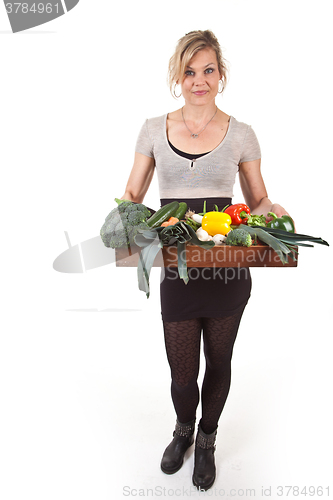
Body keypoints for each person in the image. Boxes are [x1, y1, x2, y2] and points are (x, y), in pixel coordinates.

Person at [121, 30, 290, 491]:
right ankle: (183, 429)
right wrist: (123, 215)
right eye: (190, 71)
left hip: (228, 264)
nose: (200, 80)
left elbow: (259, 200)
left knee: (219, 358)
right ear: (179, 75)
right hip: (178, 263)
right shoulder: (154, 128)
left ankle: (208, 437)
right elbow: (134, 192)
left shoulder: (242, 133)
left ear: (221, 75)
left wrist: (277, 214)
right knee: (181, 371)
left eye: (208, 70)